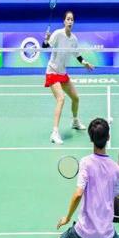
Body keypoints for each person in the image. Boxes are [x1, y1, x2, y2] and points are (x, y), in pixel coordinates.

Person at [42, 11, 94, 145]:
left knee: (75, 98)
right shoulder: (57, 34)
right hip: (52, 71)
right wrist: (46, 40)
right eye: (68, 19)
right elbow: (45, 47)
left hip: (62, 73)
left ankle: (75, 121)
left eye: (72, 19)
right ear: (64, 21)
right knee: (61, 98)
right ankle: (54, 133)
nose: (70, 21)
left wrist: (85, 63)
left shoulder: (74, 39)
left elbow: (77, 55)